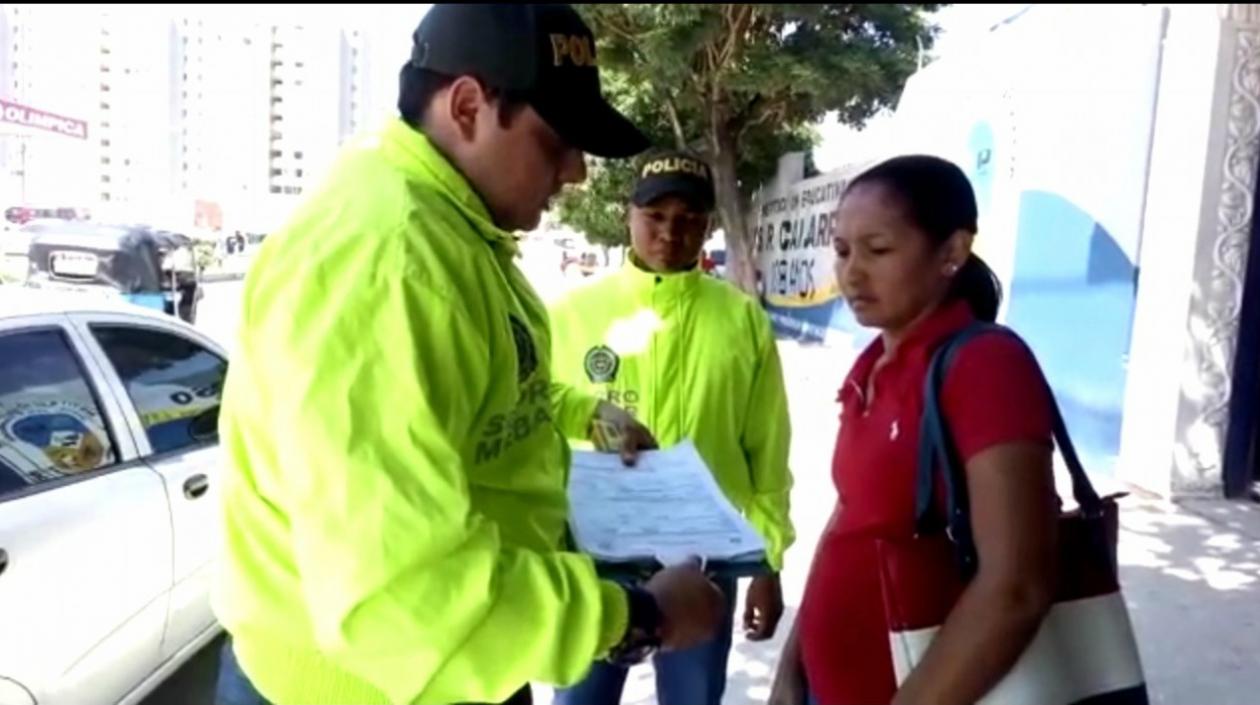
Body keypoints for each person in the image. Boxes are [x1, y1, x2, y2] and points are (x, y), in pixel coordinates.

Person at [212, 6, 726, 705]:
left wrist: (585, 411)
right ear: (466, 106)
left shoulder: (454, 229)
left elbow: (487, 391)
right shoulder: (387, 260)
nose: (576, 171)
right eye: (557, 142)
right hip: (374, 683)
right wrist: (642, 616)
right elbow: (402, 591)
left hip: (465, 659)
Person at [770, 155, 1058, 705]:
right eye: (842, 251)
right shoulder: (872, 365)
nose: (852, 273)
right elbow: (848, 519)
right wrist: (795, 659)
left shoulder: (984, 366)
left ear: (951, 252)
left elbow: (1017, 586)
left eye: (878, 250)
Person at [549, 150, 795, 705]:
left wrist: (769, 559)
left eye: (688, 218)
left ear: (707, 225)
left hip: (704, 556)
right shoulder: (570, 315)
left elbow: (768, 447)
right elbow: (538, 426)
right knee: (580, 700)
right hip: (596, 556)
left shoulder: (741, 319)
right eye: (655, 216)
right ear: (627, 216)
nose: (670, 232)